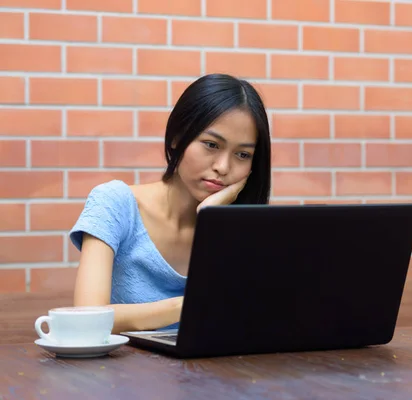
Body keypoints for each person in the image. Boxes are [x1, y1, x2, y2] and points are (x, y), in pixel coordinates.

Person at [69, 73, 272, 334]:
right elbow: (86, 316)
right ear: (178, 137)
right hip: (121, 371)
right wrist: (186, 306)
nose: (223, 167)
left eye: (243, 154)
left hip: (215, 371)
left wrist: (213, 223)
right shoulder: (115, 203)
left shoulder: (240, 223)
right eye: (211, 145)